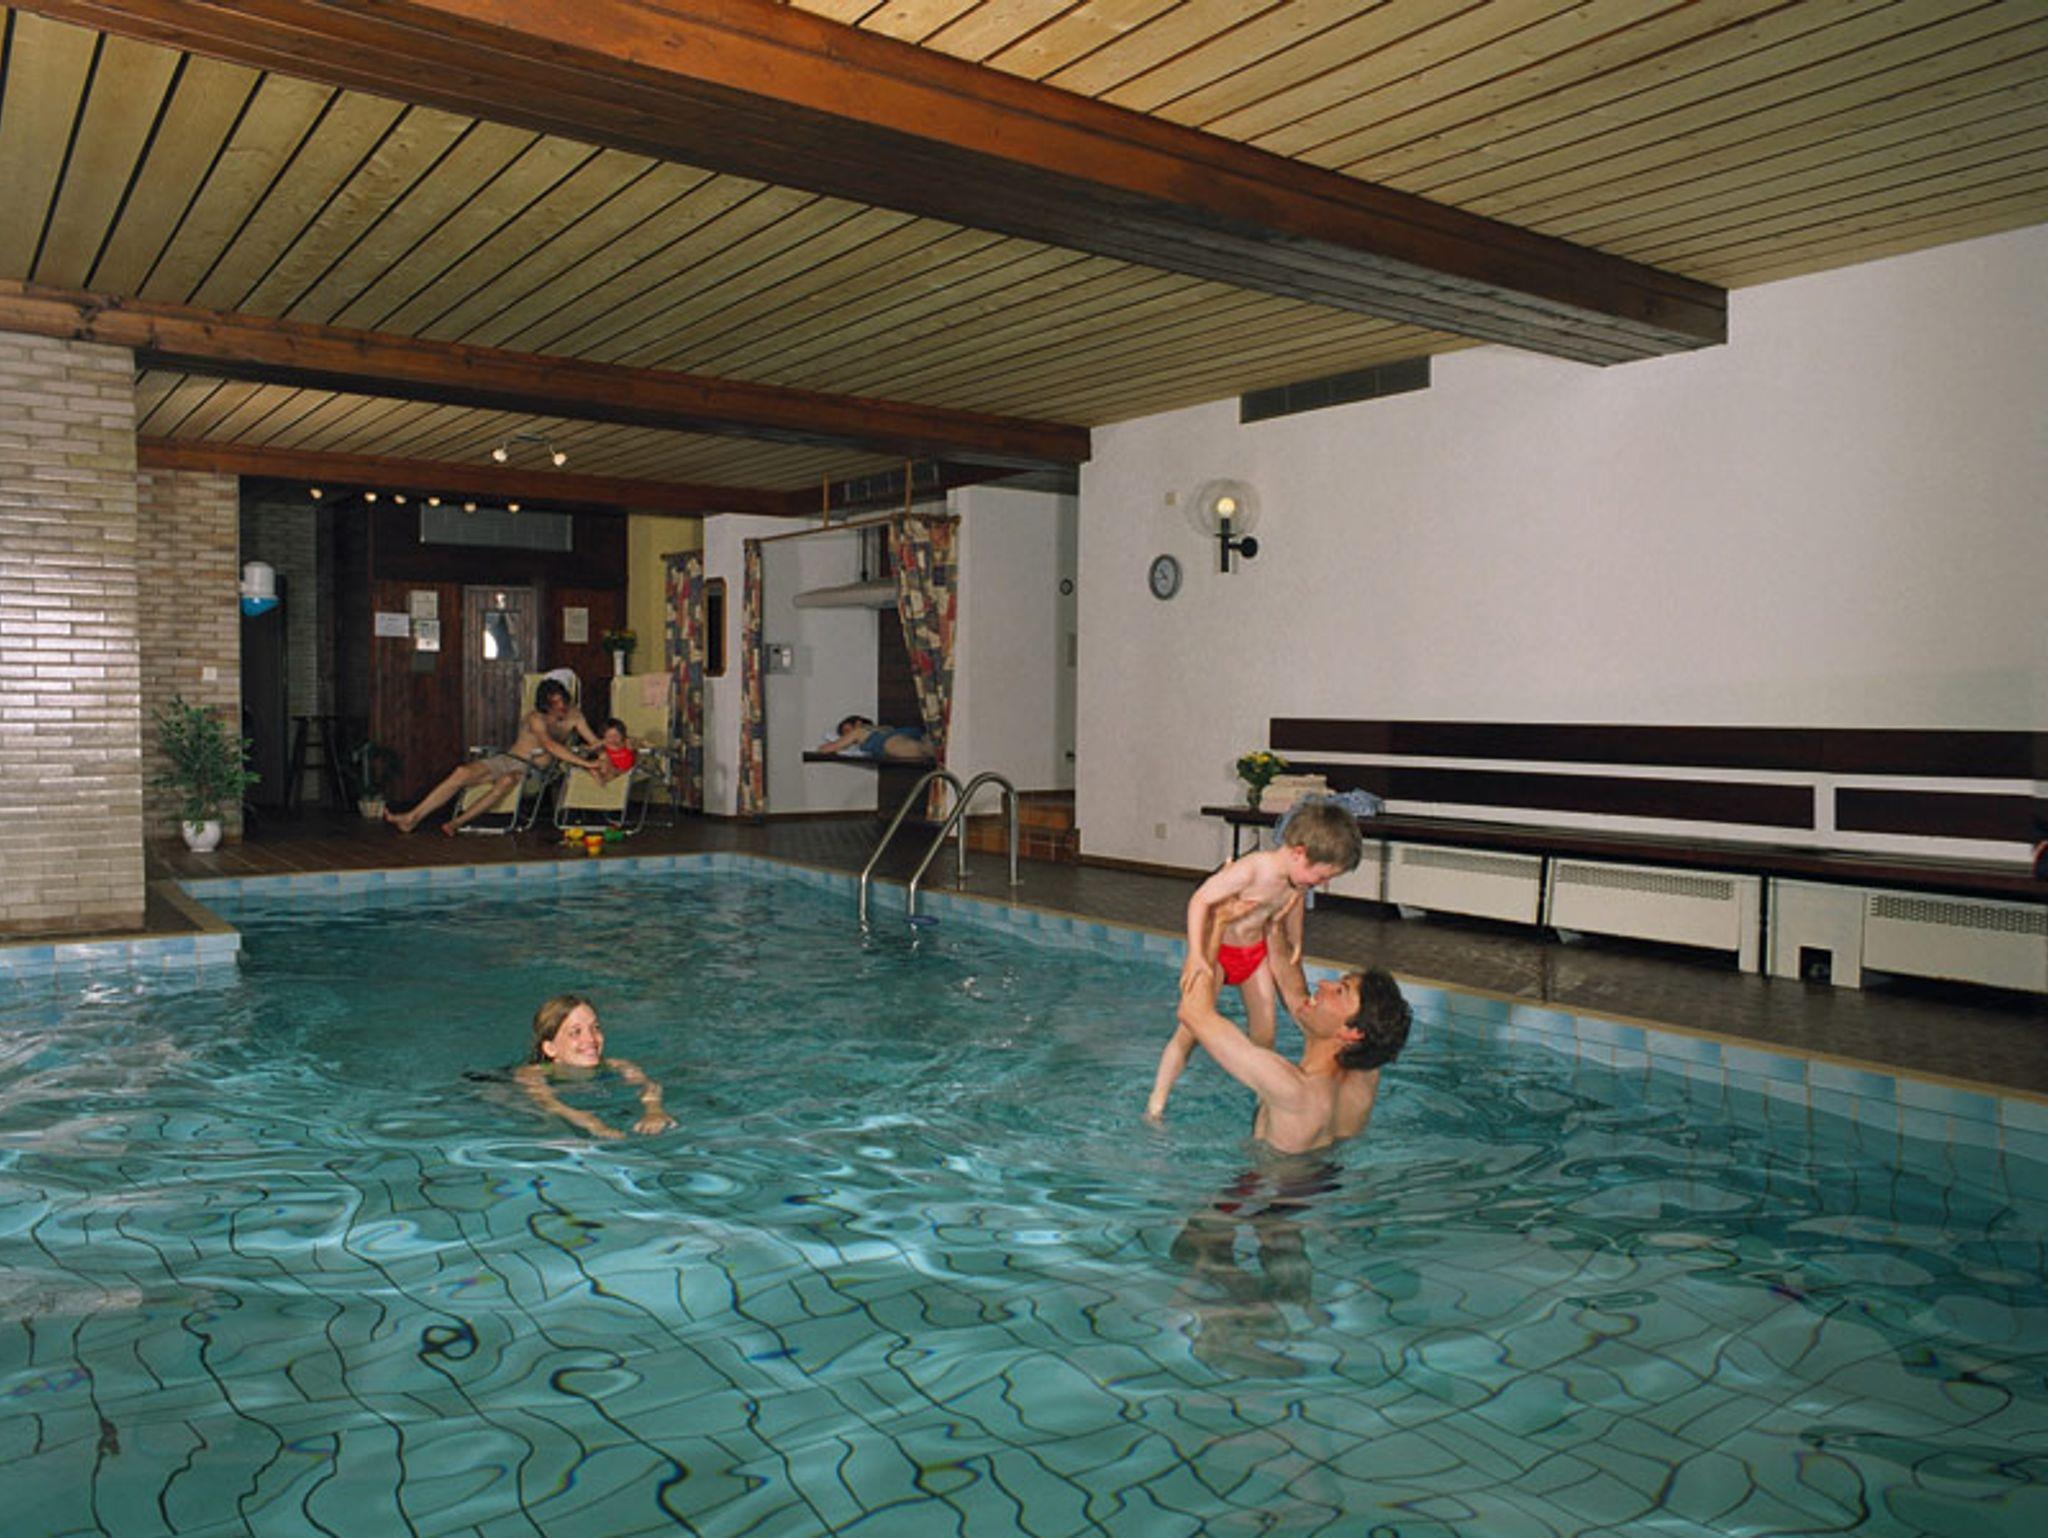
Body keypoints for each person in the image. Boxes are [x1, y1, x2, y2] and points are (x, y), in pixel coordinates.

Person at [1146, 801, 1362, 1120]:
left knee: (1265, 1034)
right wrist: (1197, 954)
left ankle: (1265, 1102)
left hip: (1254, 954)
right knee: (1189, 1031)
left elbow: (1295, 903)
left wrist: (1297, 940)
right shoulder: (1254, 869)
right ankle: (1157, 1101)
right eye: (1319, 877)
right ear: (1299, 852)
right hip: (1218, 954)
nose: (1319, 884)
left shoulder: (1297, 879)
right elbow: (1200, 899)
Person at [1173, 940, 1412, 1156]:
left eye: (1340, 991)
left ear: (1352, 1032)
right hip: (1323, 1178)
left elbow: (1192, 1013)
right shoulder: (1366, 1070)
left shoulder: (1292, 1089)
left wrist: (1211, 938)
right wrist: (1274, 921)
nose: (1323, 983)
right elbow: (1293, 987)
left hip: (1265, 1187)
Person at [385, 677, 607, 835]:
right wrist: (586, 763)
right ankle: (411, 818)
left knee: (507, 780)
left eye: (562, 701)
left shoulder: (575, 716)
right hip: (508, 759)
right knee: (461, 772)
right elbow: (550, 745)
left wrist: (605, 752)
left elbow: (594, 742)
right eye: (554, 703)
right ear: (544, 704)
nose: (561, 707)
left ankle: (456, 823)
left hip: (532, 772)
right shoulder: (536, 718)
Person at [514, 994, 674, 1140]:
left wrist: (654, 1111)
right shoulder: (530, 1074)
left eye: (595, 1028)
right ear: (550, 1048)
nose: (591, 1038)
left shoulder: (618, 1065)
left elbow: (648, 1086)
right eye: (576, 1032)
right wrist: (593, 1124)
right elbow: (549, 1104)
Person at [815, 714, 933, 760]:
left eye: (846, 731)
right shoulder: (882, 729)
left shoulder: (859, 732)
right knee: (928, 748)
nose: (845, 736)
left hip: (890, 743)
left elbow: (830, 747)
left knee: (925, 750)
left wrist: (821, 748)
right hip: (914, 734)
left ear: (858, 723)